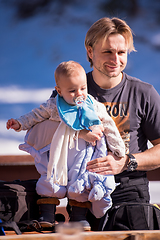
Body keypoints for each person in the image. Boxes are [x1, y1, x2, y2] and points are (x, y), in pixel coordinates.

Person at [6, 61, 125, 230]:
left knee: (80, 183)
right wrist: (19, 123)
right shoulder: (54, 105)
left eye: (83, 88)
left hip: (82, 154)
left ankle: (78, 219)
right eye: (72, 90)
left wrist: (118, 148)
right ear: (59, 90)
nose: (79, 94)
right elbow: (36, 115)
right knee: (50, 179)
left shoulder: (92, 105)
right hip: (58, 153)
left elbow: (108, 125)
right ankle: (47, 214)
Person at [81, 17, 160, 230]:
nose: (115, 59)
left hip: (130, 193)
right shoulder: (73, 90)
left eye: (121, 52)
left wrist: (125, 162)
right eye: (107, 51)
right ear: (90, 51)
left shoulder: (144, 93)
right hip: (82, 193)